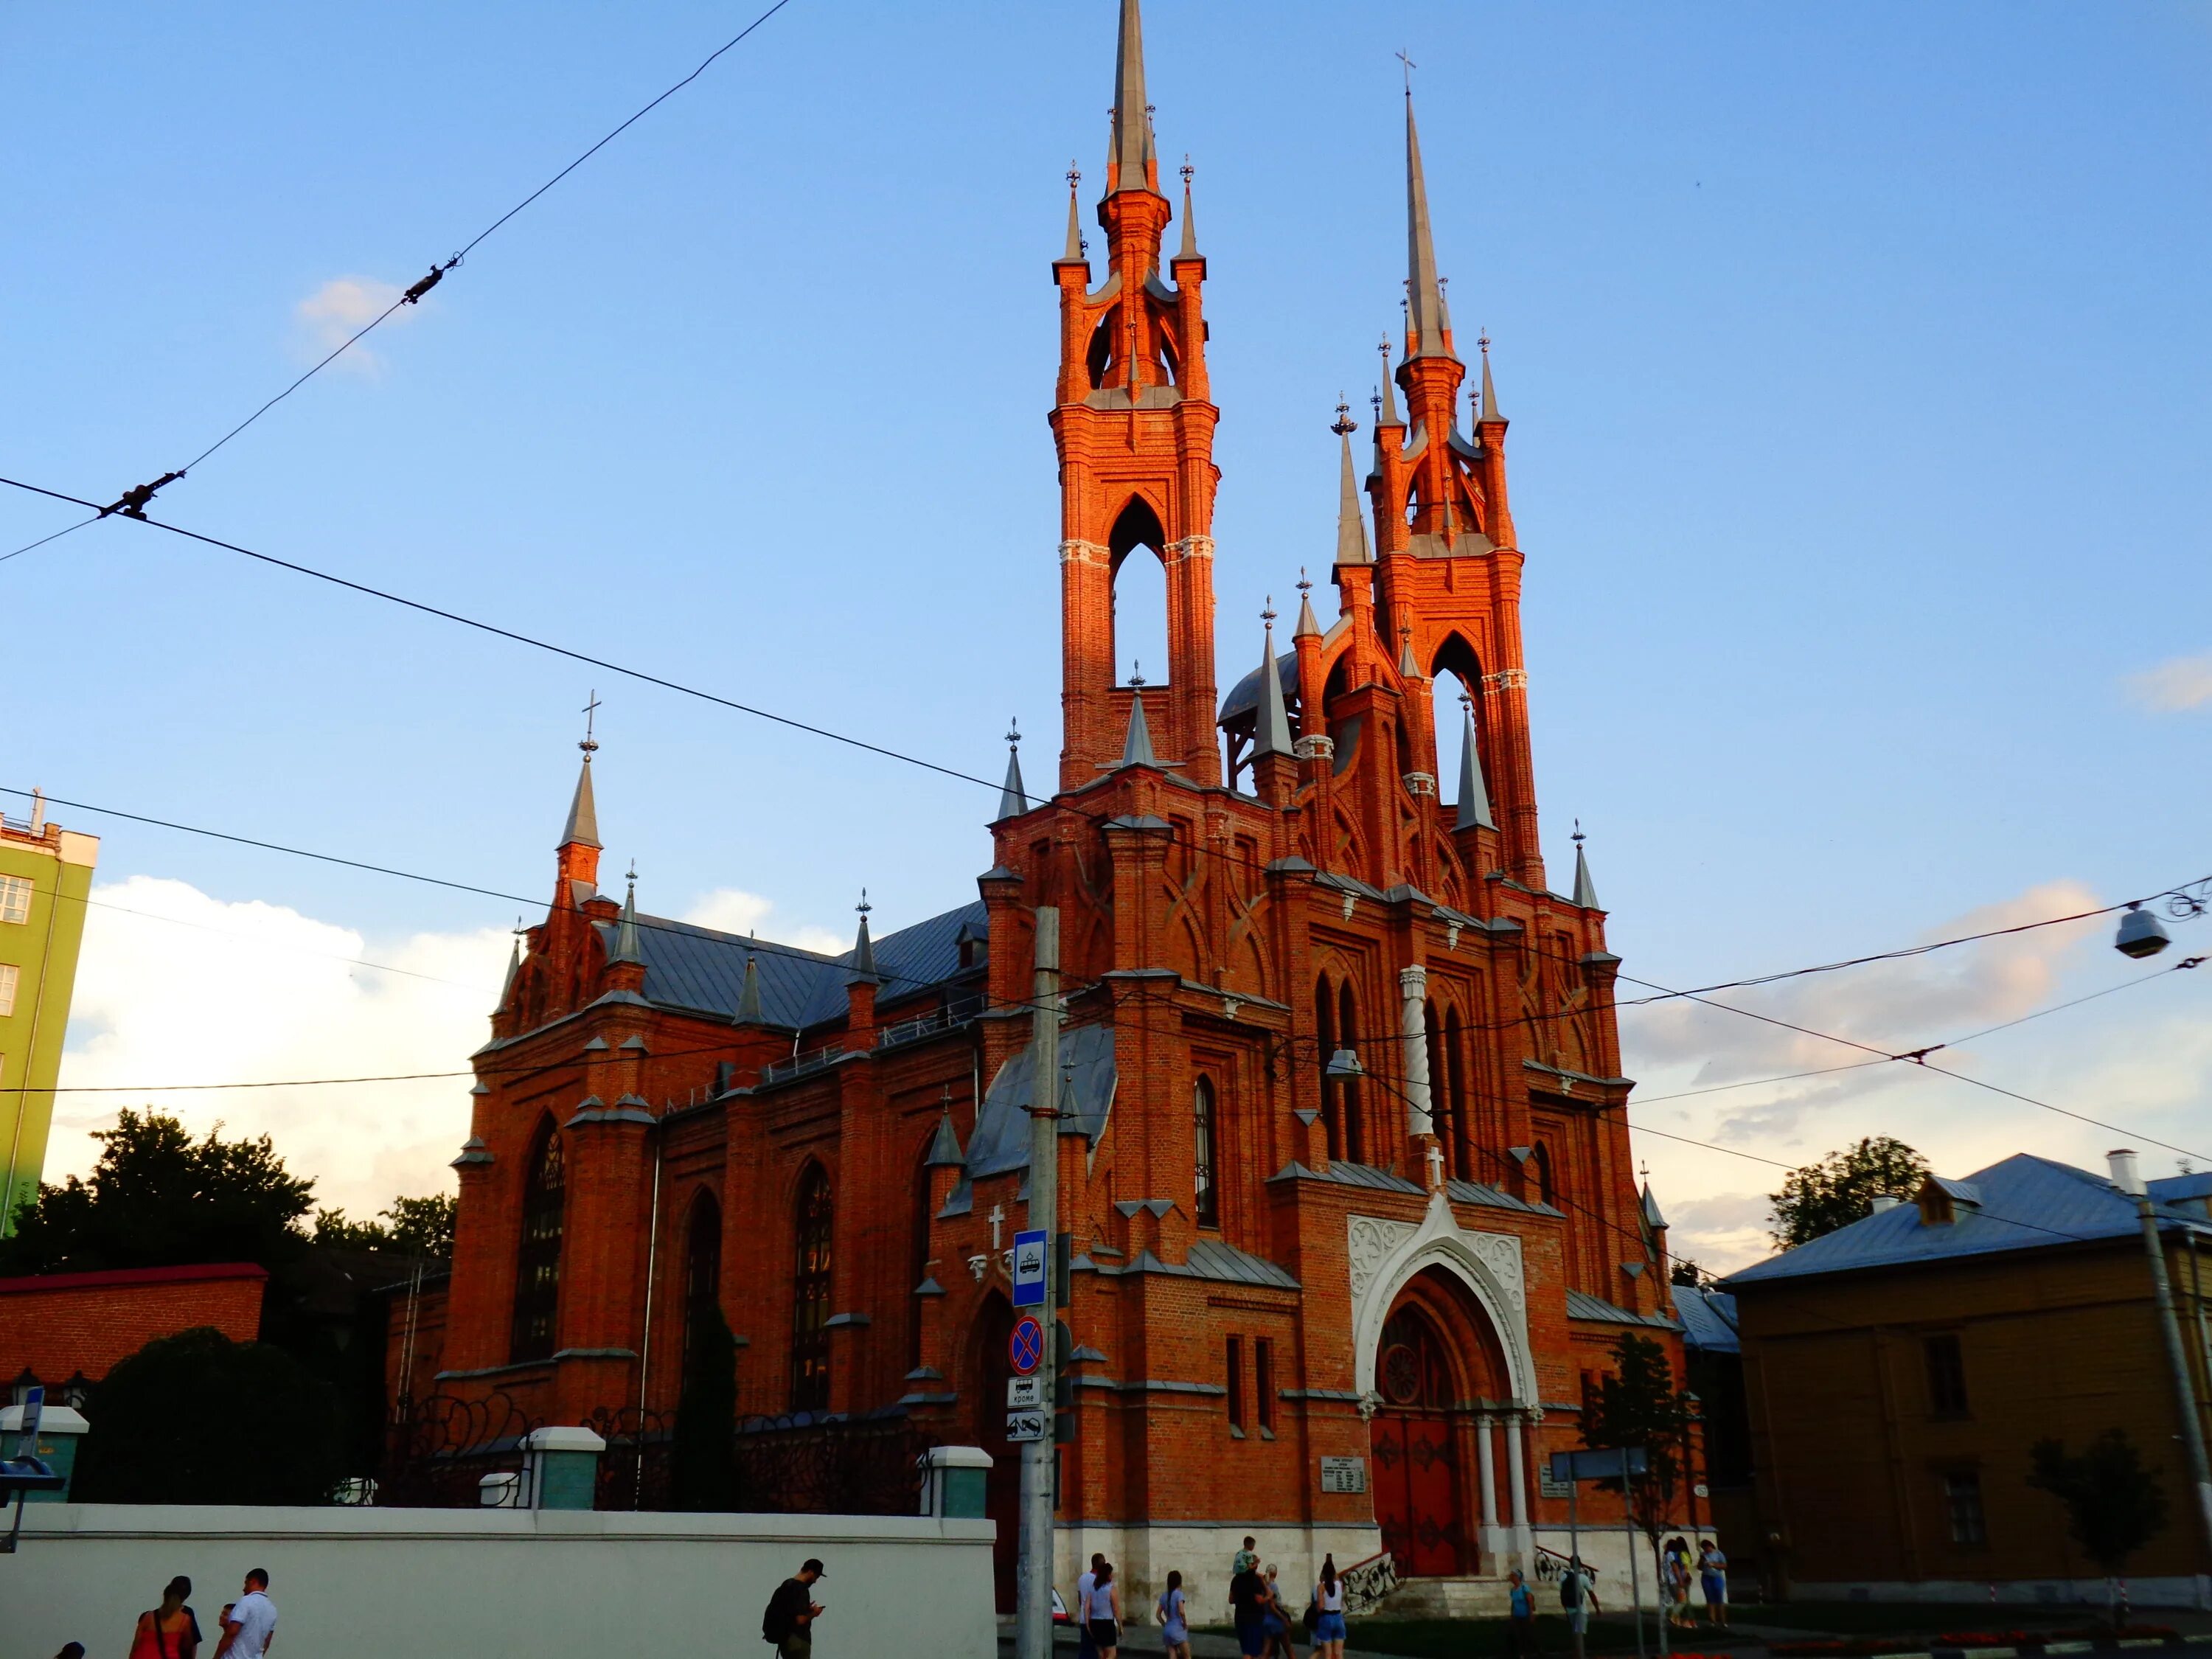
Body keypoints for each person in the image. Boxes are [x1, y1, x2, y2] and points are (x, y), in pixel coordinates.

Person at [762, 1558, 826, 1659]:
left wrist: (807, 1608)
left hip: (785, 1641)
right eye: (816, 1577)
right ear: (810, 1572)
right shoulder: (802, 1589)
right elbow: (800, 1620)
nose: (815, 1581)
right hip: (798, 1641)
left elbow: (789, 1611)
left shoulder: (787, 1585)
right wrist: (814, 1613)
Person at [131, 1576, 201, 1659]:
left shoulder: (147, 1617)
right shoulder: (185, 1618)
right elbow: (189, 1645)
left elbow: (135, 1646)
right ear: (187, 1595)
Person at [212, 1571, 275, 1659]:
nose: (244, 1588)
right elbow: (267, 1642)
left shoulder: (246, 1601)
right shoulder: (272, 1609)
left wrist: (216, 1657)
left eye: (246, 1583)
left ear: (253, 1581)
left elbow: (232, 1632)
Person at [1228, 1555, 1270, 1659]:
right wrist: (1268, 1596)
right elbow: (1260, 1600)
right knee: (1252, 1652)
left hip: (1240, 1618)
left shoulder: (1236, 1579)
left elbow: (1231, 1600)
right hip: (1254, 1619)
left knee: (1247, 1650)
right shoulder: (1256, 1580)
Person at [1084, 1559, 1121, 1659]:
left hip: (1095, 1622)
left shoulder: (1092, 1589)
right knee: (1111, 1654)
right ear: (1108, 1575)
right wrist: (1120, 1625)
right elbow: (1116, 1609)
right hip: (1107, 1623)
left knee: (1101, 1654)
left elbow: (1087, 1607)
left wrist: (1088, 1624)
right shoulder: (1111, 1589)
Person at [1260, 1565, 1299, 1659]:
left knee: (1266, 1652)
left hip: (1266, 1619)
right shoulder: (1273, 1586)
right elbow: (1273, 1606)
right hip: (1276, 1620)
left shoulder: (1264, 1587)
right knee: (1289, 1650)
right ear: (1275, 1573)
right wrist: (1284, 1619)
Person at [1311, 1555, 1346, 1659]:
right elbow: (1335, 1577)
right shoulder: (1340, 1584)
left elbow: (1321, 1606)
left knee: (1328, 1654)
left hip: (1326, 1618)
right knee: (1339, 1653)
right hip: (1339, 1618)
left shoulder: (1321, 1587)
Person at [1076, 1552, 1107, 1659]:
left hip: (1084, 1620)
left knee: (1085, 1650)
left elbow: (1080, 1599)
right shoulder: (1100, 1581)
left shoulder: (1082, 1578)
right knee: (1098, 1651)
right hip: (1097, 1620)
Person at [1156, 1569, 1191, 1659]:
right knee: (1187, 1656)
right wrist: (1185, 1624)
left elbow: (1158, 1615)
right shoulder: (1179, 1594)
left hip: (1168, 1629)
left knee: (1172, 1656)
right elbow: (1181, 1611)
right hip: (1178, 1629)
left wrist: (1164, 1624)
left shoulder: (1164, 1596)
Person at [1504, 1569, 1535, 1659]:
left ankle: (1529, 1652)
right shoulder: (1513, 1590)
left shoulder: (1524, 1588)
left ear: (1517, 1577)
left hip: (1525, 1615)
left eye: (1513, 1576)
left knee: (1526, 1635)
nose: (1511, 1578)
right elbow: (1514, 1603)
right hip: (1516, 1616)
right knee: (1517, 1635)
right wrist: (1512, 1614)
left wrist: (1531, 1614)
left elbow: (1530, 1601)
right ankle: (1519, 1653)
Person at [1697, 1540, 1728, 1627]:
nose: (1706, 1550)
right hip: (1706, 1578)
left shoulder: (1718, 1554)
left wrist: (1714, 1565)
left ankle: (1723, 1620)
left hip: (1716, 1577)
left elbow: (1724, 1566)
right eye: (1704, 1548)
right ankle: (1712, 1620)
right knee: (1710, 1599)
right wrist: (1702, 1562)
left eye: (1707, 1548)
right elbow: (1699, 1568)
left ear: (1711, 1546)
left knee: (1719, 1599)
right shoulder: (1703, 1555)